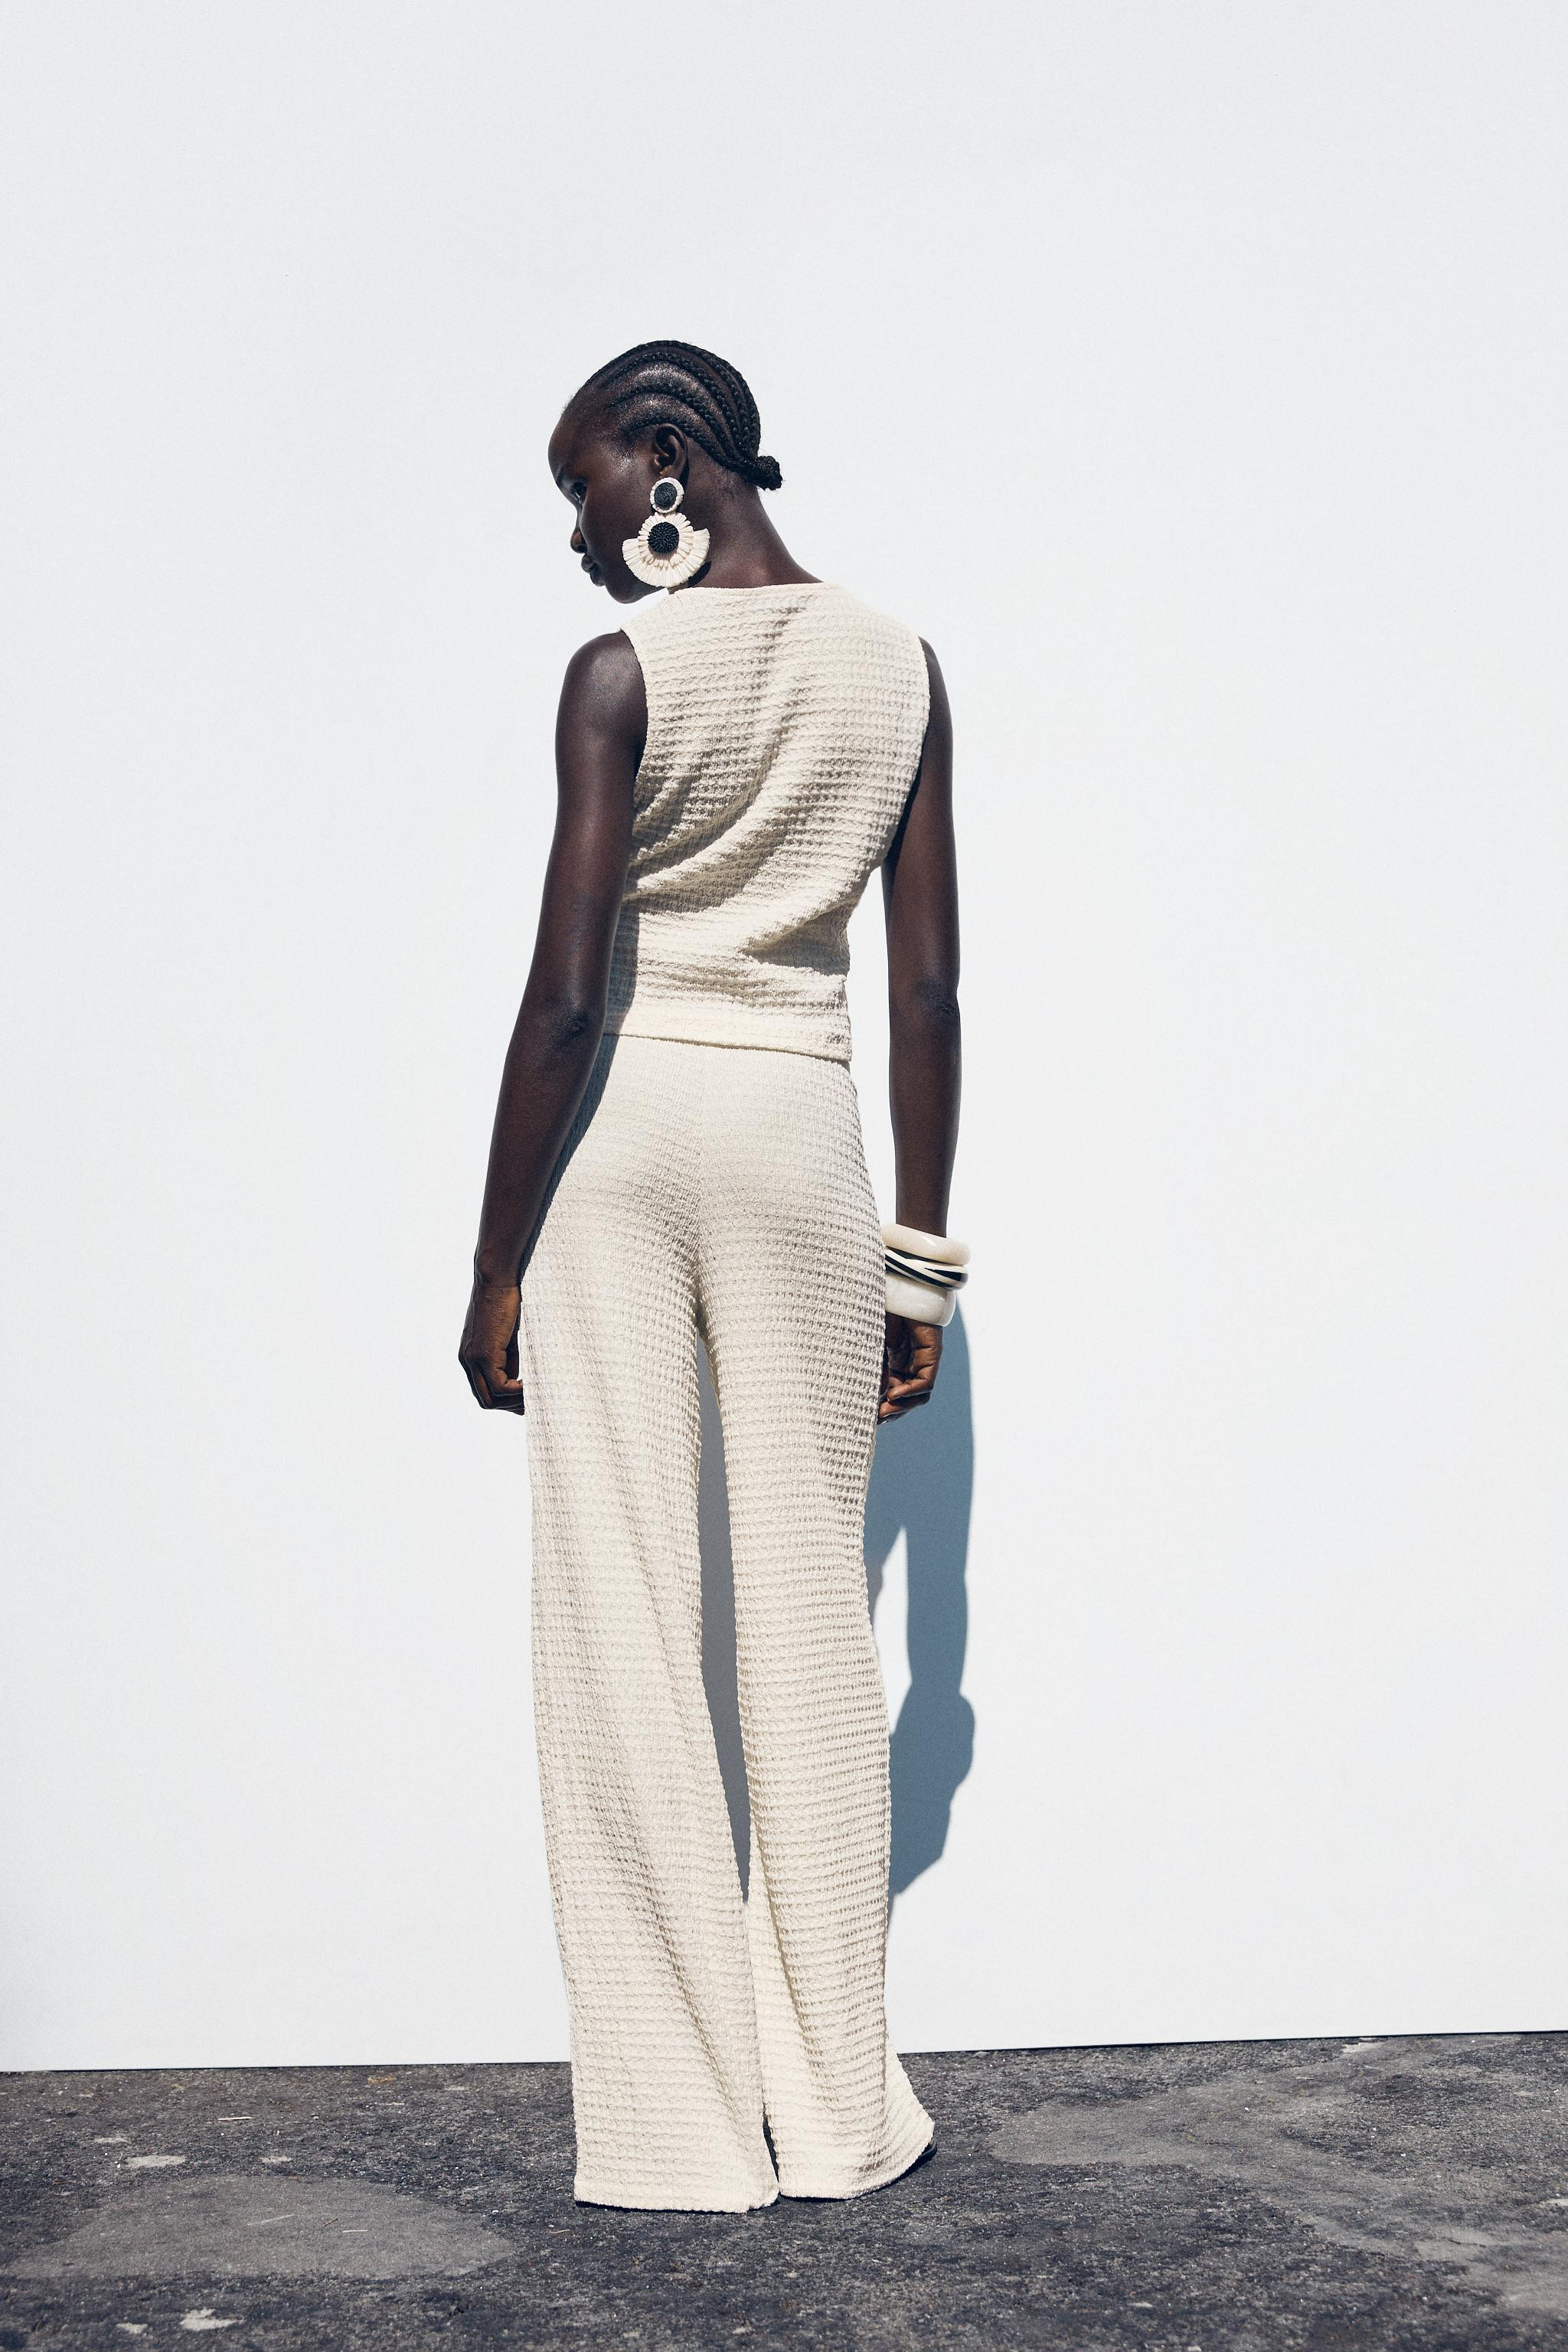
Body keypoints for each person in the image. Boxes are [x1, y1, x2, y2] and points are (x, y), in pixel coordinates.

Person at [458, 341, 965, 2213]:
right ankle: (835, 2117)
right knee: (815, 1621)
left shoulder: (620, 674)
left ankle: (678, 2131)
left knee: (625, 1613)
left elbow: (563, 995)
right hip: (801, 1136)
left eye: (583, 486)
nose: (581, 535)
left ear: (664, 458)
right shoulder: (900, 667)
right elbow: (927, 991)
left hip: (621, 1141)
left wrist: (491, 1267)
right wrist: (919, 1270)